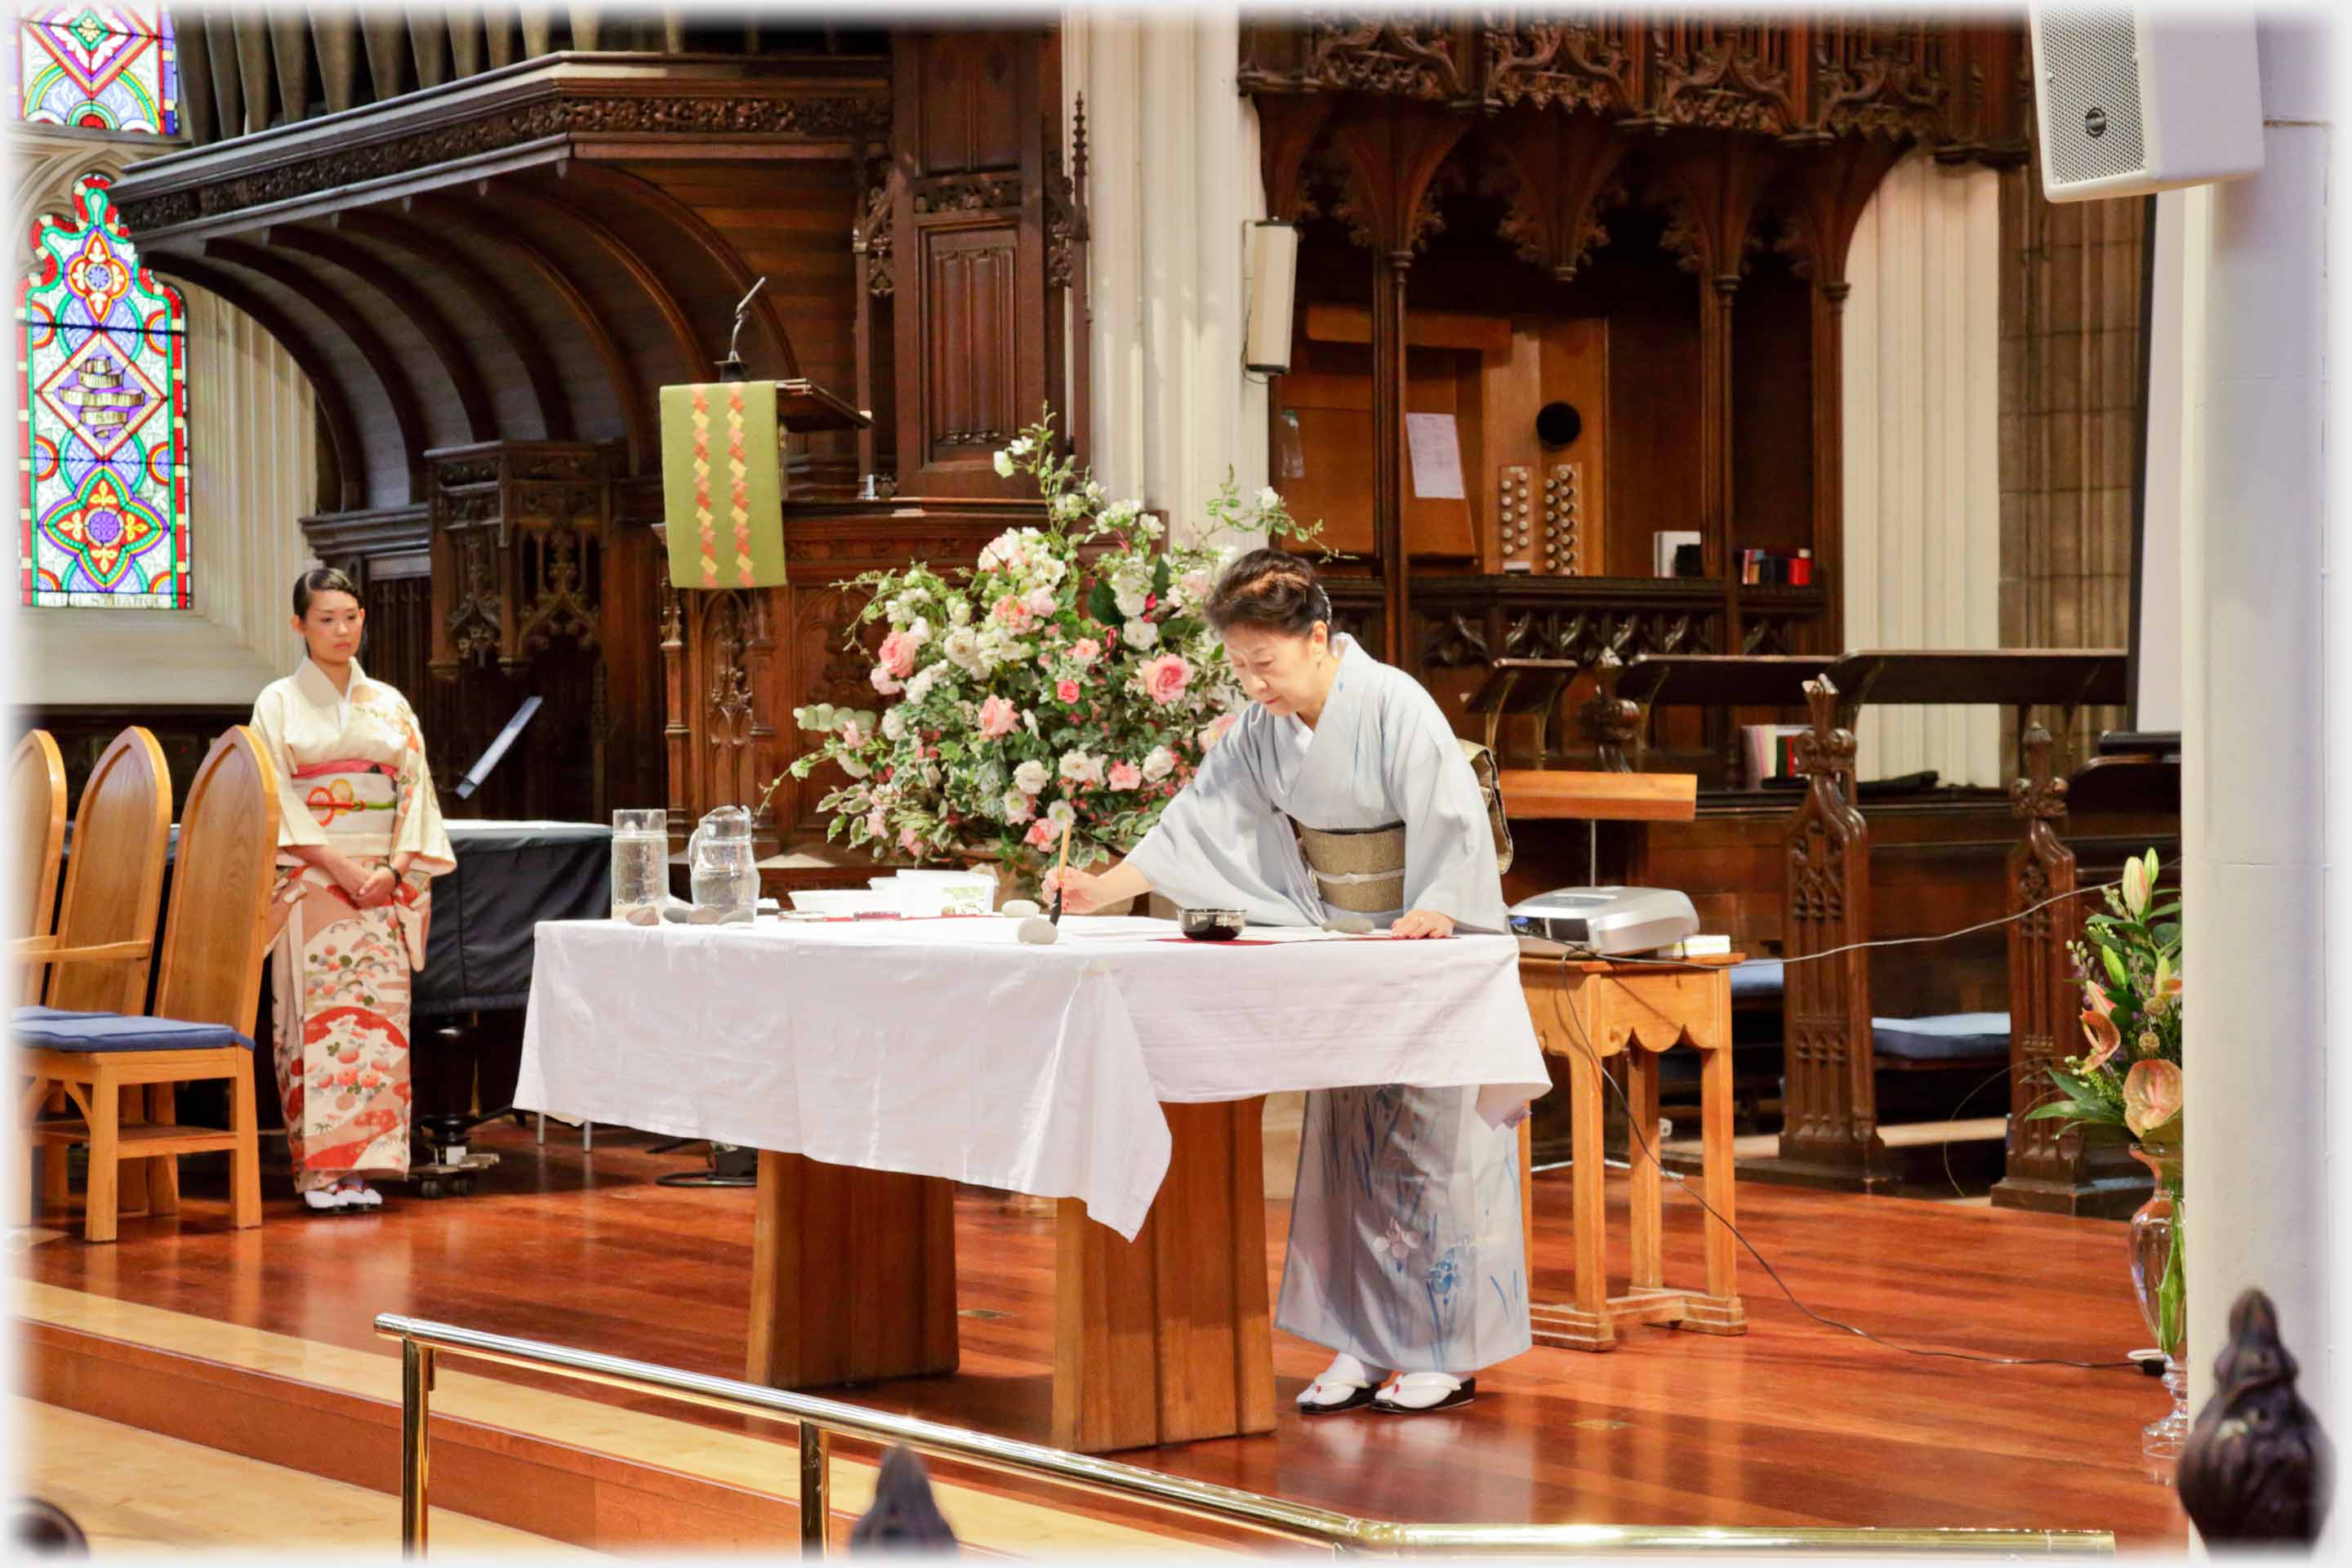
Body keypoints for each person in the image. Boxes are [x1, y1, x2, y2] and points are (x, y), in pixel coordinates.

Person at [1053, 548, 1529, 1414]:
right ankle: (1357, 1342)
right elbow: (1195, 825)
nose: (1254, 684)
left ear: (1318, 638)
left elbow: (1452, 820)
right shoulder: (1262, 734)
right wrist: (1100, 888)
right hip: (1342, 950)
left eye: (1264, 663)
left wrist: (1438, 905)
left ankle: (1444, 1348)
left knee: (1428, 1150)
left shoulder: (1395, 705)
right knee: (1348, 1150)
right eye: (1239, 666)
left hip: (1419, 945)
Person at [251, 568, 454, 1213]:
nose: (341, 630)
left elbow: (416, 792)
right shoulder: (278, 701)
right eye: (326, 619)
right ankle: (320, 1172)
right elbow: (273, 796)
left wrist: (394, 870)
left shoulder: (391, 703)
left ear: (363, 618)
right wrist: (337, 865)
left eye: (350, 616)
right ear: (299, 626)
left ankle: (365, 1168)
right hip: (313, 877)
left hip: (380, 886)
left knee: (377, 1026)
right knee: (311, 1023)